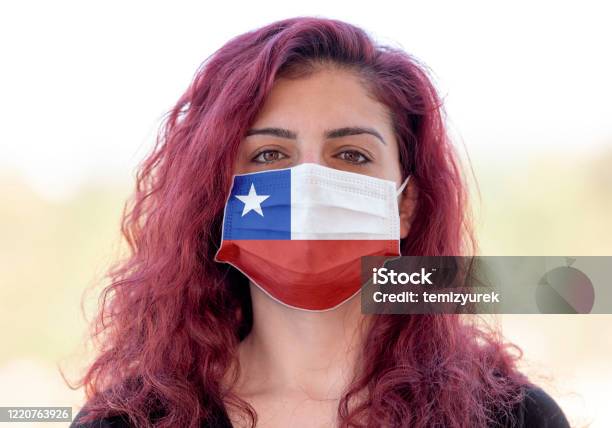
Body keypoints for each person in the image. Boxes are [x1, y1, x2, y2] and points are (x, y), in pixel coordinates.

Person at [69, 16, 570, 428]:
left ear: (405, 203)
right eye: (268, 154)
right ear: (217, 196)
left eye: (351, 155)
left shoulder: (513, 418)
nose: (309, 184)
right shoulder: (127, 421)